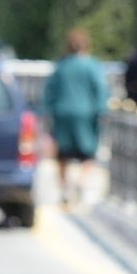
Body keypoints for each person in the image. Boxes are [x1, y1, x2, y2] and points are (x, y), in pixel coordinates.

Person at [42, 27, 111, 205]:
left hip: (63, 113)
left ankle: (65, 188)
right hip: (86, 114)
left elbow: (50, 92)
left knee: (63, 154)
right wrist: (101, 110)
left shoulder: (62, 66)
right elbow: (101, 89)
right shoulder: (92, 66)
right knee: (88, 152)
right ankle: (81, 181)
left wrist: (46, 111)